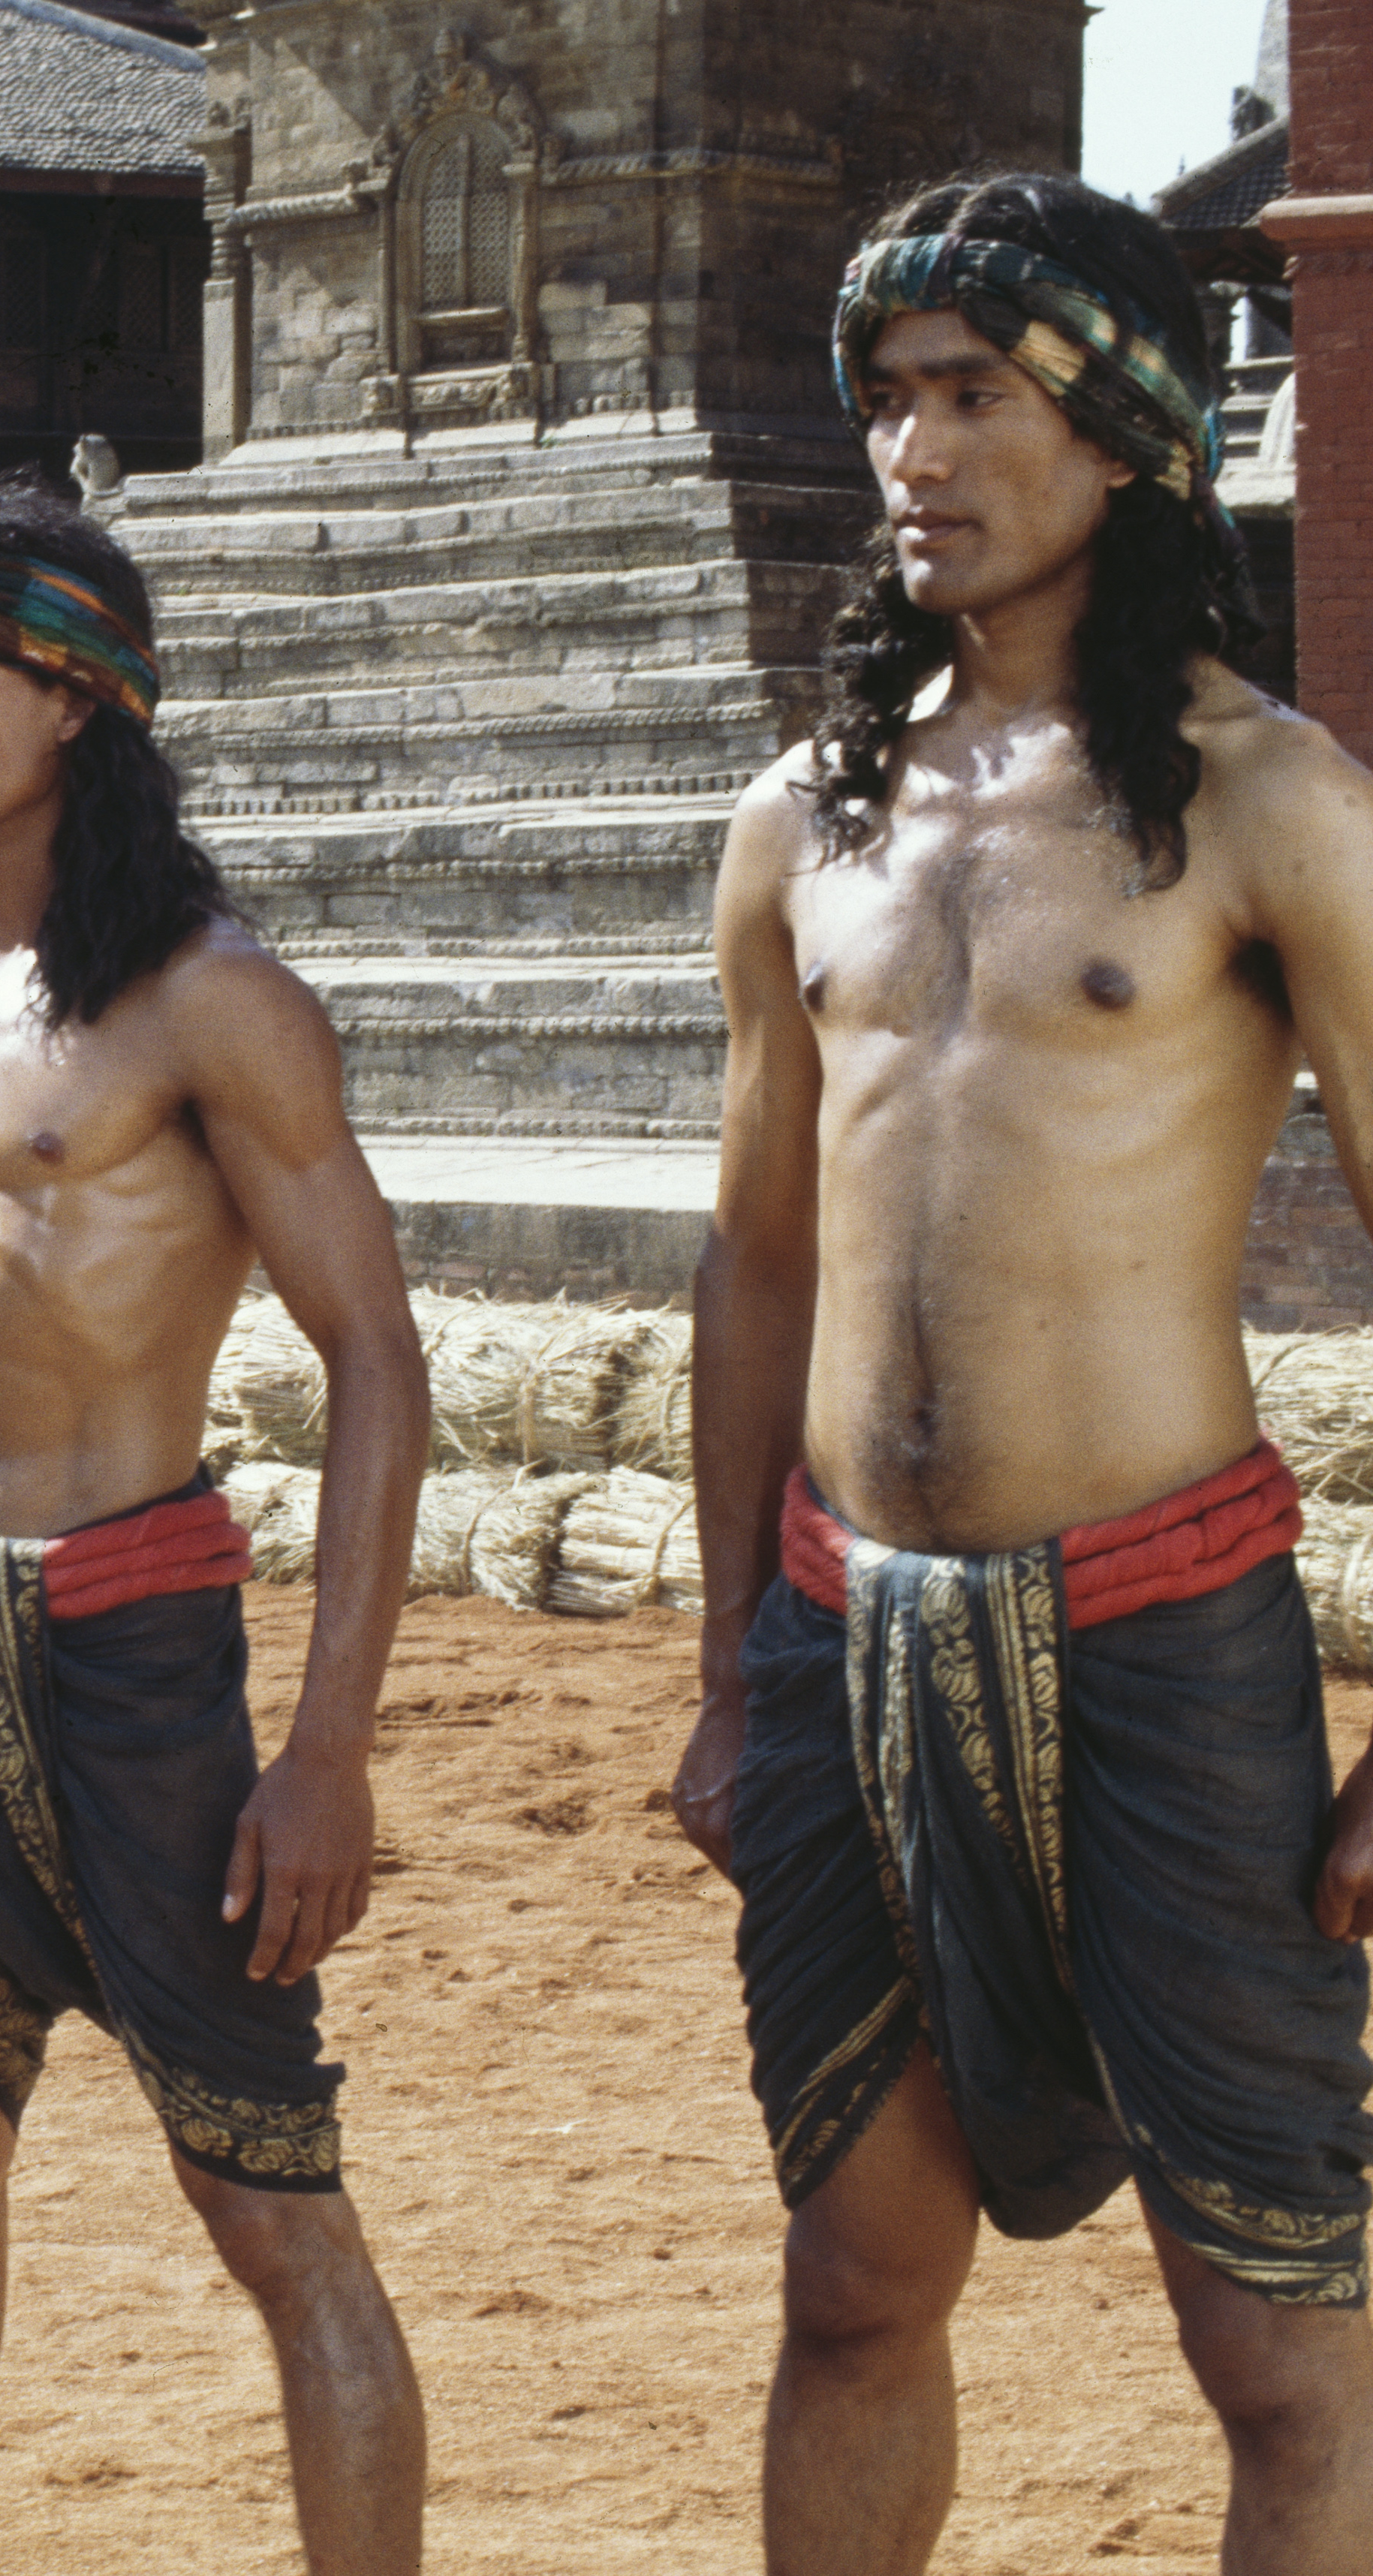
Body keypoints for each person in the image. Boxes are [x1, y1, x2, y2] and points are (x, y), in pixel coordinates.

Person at [674, 171, 1373, 2571]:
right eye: (882, 397)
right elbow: (751, 1261)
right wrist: (718, 1666)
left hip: (1165, 1643)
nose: (907, 447)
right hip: (831, 1633)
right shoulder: (798, 821)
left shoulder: (1271, 803)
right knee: (849, 2285)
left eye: (969, 391)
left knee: (1270, 2337)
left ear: (1121, 430)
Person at [0, 478, 432, 2576]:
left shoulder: (212, 998)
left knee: (263, 2201)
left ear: (75, 701)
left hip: (126, 1643)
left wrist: (325, 1750)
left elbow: (375, 1368)